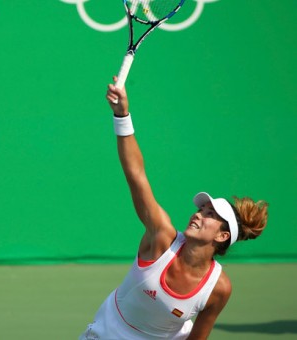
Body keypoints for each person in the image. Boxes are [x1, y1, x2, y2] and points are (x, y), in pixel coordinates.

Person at [79, 78, 269, 340]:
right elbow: (136, 175)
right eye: (201, 209)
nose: (198, 214)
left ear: (222, 236)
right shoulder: (161, 237)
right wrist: (122, 115)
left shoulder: (219, 288)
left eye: (209, 215)